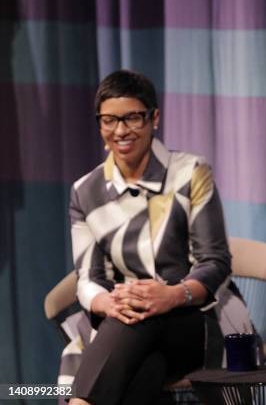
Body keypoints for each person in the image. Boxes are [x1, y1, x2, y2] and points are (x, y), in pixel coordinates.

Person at [67, 70, 250, 404]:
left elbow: (215, 262)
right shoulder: (85, 191)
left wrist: (170, 295)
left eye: (132, 118)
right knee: (144, 368)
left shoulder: (190, 172)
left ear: (154, 118)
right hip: (128, 326)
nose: (120, 131)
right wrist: (108, 302)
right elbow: (88, 278)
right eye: (109, 120)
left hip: (195, 316)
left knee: (137, 322)